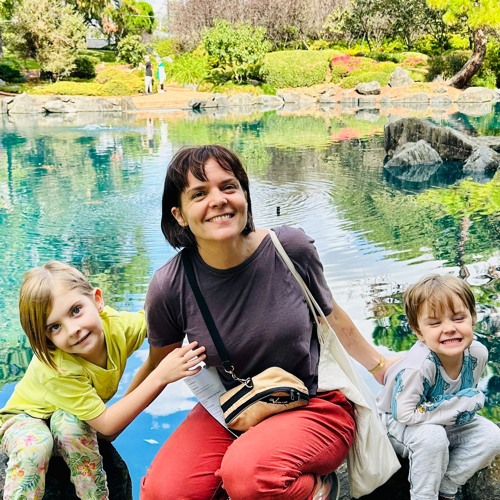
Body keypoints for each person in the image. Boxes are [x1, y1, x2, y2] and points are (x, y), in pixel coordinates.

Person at [129, 144, 395, 500]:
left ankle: (321, 488)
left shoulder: (289, 248)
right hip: (237, 405)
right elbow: (157, 364)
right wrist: (110, 422)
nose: (218, 200)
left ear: (244, 195)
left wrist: (380, 366)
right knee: (165, 492)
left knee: (250, 476)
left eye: (228, 187)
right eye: (199, 194)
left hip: (315, 402)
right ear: (179, 214)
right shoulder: (170, 286)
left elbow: (330, 314)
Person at [0, 261, 205, 499]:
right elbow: (107, 426)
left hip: (64, 417)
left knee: (72, 427)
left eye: (76, 310)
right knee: (35, 446)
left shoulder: (116, 327)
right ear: (46, 339)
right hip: (25, 419)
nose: (73, 329)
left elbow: (159, 320)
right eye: (55, 327)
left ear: (97, 300)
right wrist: (160, 375)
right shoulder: (59, 367)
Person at [377, 274, 500, 500]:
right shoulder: (418, 368)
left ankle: (446, 486)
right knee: (433, 438)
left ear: (473, 319)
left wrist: (459, 407)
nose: (449, 328)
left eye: (458, 318)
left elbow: (460, 397)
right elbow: (404, 413)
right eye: (435, 323)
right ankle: (424, 495)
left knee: (492, 436)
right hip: (396, 422)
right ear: (418, 331)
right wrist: (461, 405)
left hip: (439, 419)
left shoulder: (477, 354)